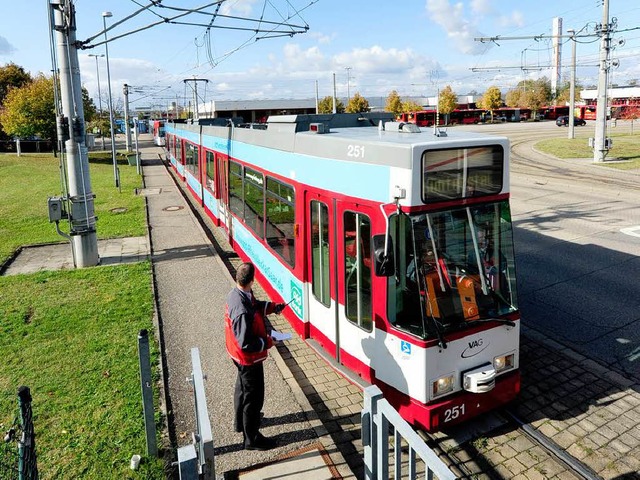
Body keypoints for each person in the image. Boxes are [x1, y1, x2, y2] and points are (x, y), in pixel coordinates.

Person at [224, 262, 287, 451]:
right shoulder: (241, 311)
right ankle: (251, 439)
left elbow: (255, 306)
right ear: (252, 281)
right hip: (248, 359)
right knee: (254, 398)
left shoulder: (236, 294)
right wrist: (268, 342)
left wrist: (272, 307)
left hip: (237, 355)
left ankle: (239, 423)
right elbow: (246, 343)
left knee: (242, 390)